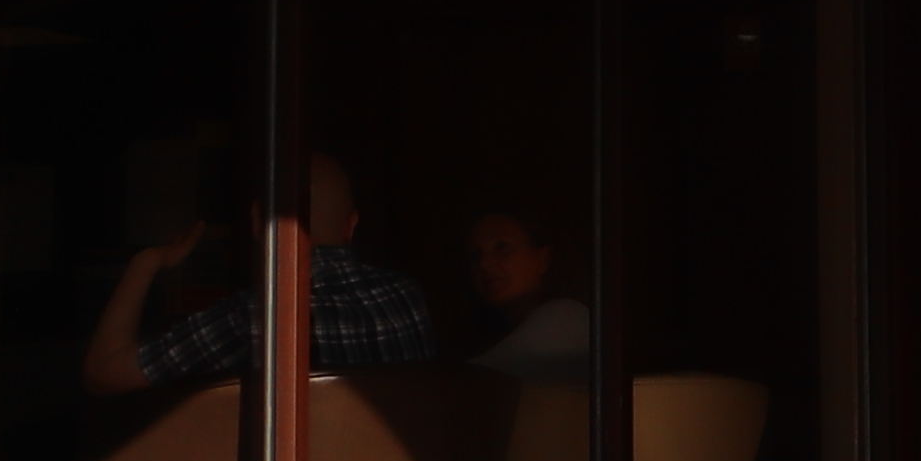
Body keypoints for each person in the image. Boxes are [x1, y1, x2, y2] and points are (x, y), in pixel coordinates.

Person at [80, 152, 437, 396]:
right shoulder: (409, 297)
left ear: (256, 222)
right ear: (352, 223)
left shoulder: (254, 316)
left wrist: (147, 262)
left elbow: (103, 373)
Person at [459, 207, 591, 379]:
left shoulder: (569, 317)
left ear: (543, 258)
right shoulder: (483, 341)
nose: (484, 263)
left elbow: (470, 380)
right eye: (476, 256)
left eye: (501, 247)